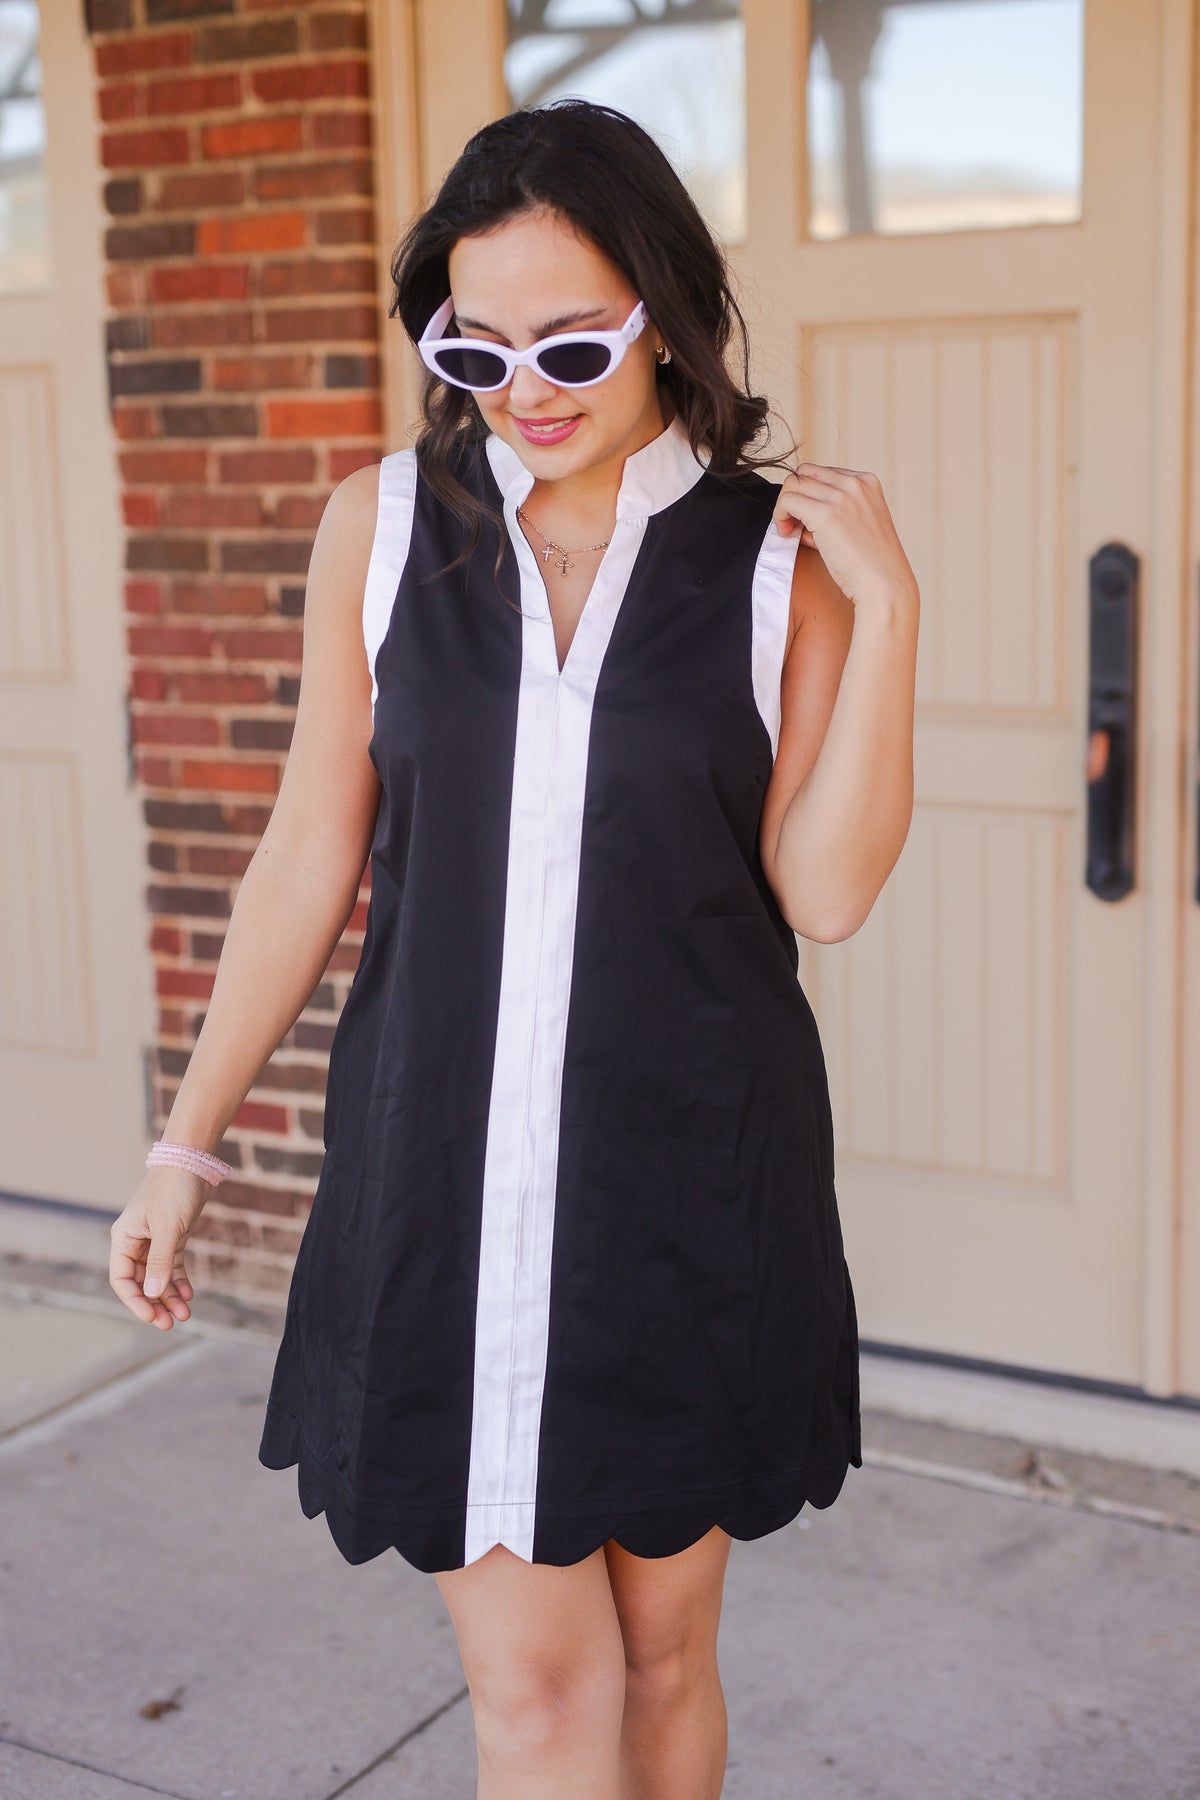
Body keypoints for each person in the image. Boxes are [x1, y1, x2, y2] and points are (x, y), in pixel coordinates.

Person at [109, 97, 918, 1800]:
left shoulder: (779, 559)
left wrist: (892, 612)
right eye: (472, 349)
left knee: (667, 1657)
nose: (524, 389)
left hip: (691, 1183)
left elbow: (826, 891)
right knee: (543, 1701)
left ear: (667, 317)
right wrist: (185, 1144)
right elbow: (304, 857)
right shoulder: (384, 528)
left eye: (571, 341)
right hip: (445, 1188)